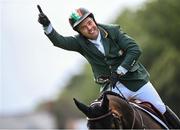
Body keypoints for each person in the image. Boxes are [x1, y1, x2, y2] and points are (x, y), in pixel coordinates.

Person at [37, 5, 180, 128]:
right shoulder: (79, 43)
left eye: (89, 22)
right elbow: (59, 41)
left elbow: (135, 50)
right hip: (111, 87)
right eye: (83, 27)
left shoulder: (112, 31)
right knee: (101, 117)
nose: (89, 27)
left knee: (160, 108)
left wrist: (121, 70)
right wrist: (47, 26)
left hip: (135, 81)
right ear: (79, 31)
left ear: (93, 20)